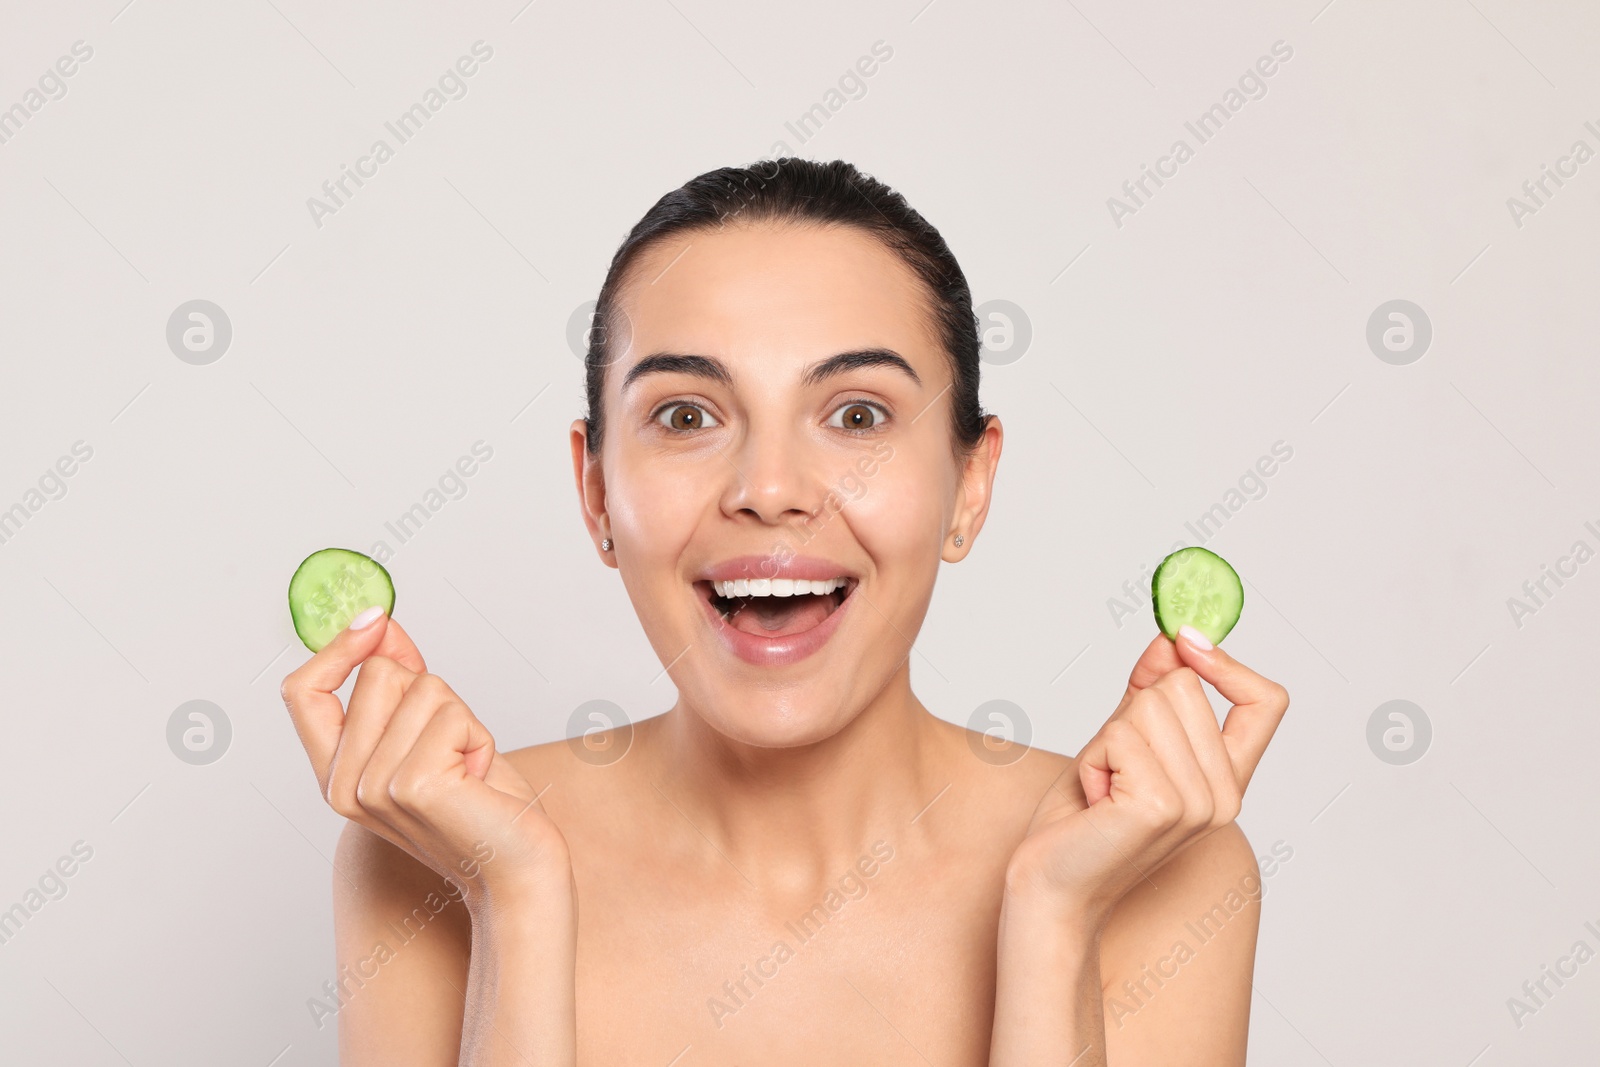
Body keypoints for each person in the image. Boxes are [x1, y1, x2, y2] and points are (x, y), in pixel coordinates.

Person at [280, 158, 1291, 1065]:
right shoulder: (428, 851)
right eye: (686, 415)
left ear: (969, 484)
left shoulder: (1159, 861)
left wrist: (1054, 917)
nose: (769, 486)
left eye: (856, 414)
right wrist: (515, 896)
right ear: (594, 491)